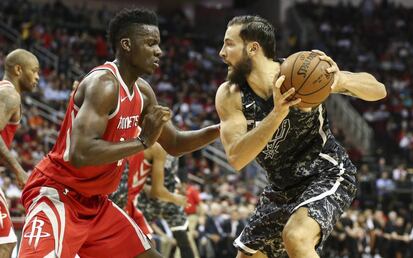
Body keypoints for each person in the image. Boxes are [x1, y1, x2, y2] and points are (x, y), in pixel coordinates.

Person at [18, 8, 219, 258]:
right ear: (126, 44)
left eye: (159, 44)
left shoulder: (144, 93)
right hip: (58, 193)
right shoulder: (104, 84)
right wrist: (143, 141)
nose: (159, 51)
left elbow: (175, 143)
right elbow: (81, 153)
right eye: (151, 43)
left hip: (95, 203)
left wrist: (221, 129)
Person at [215, 15, 386, 258]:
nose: (221, 52)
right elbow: (236, 158)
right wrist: (276, 114)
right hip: (281, 188)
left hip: (326, 172)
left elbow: (379, 90)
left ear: (253, 48)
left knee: (296, 237)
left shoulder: (302, 74)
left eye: (229, 43)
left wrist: (340, 80)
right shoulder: (230, 95)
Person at [0, 49, 39, 257]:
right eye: (34, 71)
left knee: (6, 243)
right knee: (5, 243)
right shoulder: (9, 94)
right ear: (18, 69)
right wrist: (17, 170)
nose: (37, 77)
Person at [136, 143, 195, 258]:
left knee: (183, 240)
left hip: (170, 197)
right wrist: (144, 187)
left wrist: (183, 185)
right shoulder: (149, 145)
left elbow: (182, 166)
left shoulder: (175, 141)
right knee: (141, 240)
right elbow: (137, 175)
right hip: (148, 200)